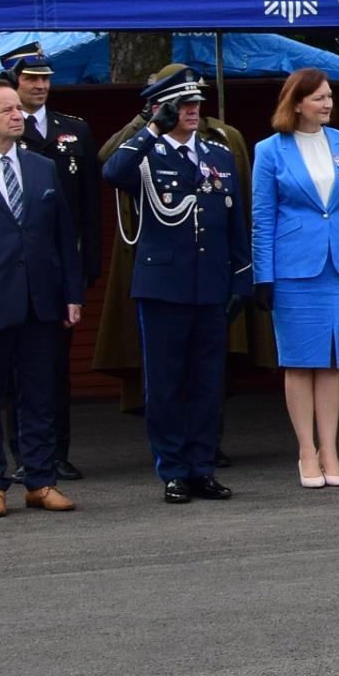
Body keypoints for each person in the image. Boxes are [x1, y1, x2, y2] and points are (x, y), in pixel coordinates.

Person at [93, 64, 268, 467]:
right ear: (162, 108)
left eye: (196, 102)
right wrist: (152, 127)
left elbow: (234, 221)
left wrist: (242, 278)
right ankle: (172, 466)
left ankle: (202, 464)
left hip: (209, 284)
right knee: (166, 383)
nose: (193, 110)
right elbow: (112, 172)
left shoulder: (219, 153)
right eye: (183, 103)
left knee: (207, 383)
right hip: (162, 285)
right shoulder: (145, 152)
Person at [0, 42, 99, 482]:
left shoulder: (58, 147)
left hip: (45, 287)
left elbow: (78, 221)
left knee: (45, 387)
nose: (36, 91)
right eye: (26, 82)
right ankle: (2, 472)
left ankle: (46, 467)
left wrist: (78, 281)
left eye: (44, 80)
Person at [252, 68, 339, 488]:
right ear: (298, 102)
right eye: (319, 98)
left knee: (332, 360)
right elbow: (262, 217)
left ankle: (331, 449)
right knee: (299, 361)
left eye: (329, 97)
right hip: (293, 266)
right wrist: (263, 275)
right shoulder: (271, 150)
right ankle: (306, 450)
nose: (327, 104)